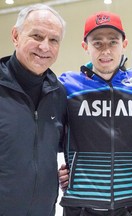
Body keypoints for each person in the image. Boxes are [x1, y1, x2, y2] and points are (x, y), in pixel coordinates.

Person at [58, 11, 132, 216]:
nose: (106, 50)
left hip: (129, 204)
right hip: (80, 205)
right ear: (85, 46)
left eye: (113, 42)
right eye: (97, 43)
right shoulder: (67, 85)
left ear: (124, 44)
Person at [0, 4, 67, 216]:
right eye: (36, 36)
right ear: (16, 36)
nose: (45, 47)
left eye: (53, 40)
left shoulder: (59, 94)